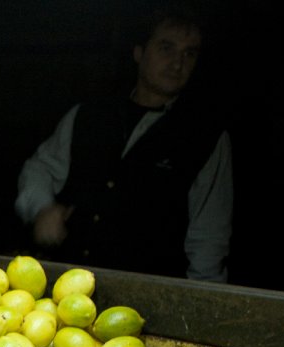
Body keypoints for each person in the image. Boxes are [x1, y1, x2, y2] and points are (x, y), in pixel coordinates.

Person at [14, 5, 233, 282]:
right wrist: (42, 208)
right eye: (166, 48)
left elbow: (209, 237)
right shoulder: (88, 114)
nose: (178, 64)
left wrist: (204, 304)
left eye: (189, 54)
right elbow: (39, 169)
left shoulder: (206, 137)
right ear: (139, 53)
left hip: (146, 296)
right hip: (68, 285)